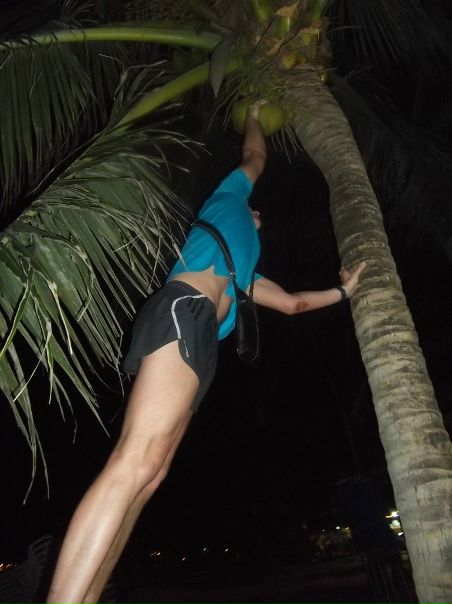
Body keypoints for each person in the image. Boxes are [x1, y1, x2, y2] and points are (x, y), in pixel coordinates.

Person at [46, 102, 366, 604]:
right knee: (135, 459)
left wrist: (344, 291)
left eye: (259, 216)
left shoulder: (246, 274)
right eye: (256, 210)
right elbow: (255, 157)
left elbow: (293, 304)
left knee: (152, 473)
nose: (259, 214)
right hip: (184, 310)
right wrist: (254, 113)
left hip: (202, 344)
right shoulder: (228, 199)